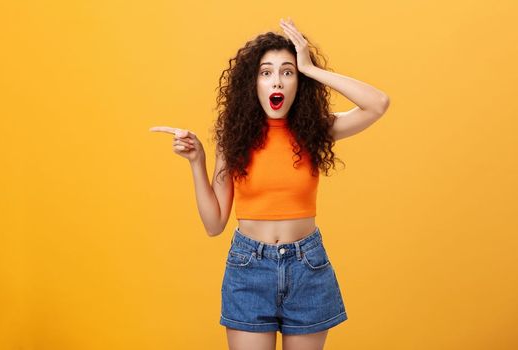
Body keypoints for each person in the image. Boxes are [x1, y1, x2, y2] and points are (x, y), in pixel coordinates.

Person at [150, 18, 390, 350]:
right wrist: (197, 162)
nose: (276, 80)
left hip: (308, 267)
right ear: (254, 83)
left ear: (299, 81)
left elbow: (378, 103)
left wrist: (311, 68)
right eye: (266, 72)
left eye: (287, 72)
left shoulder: (315, 129)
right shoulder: (232, 136)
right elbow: (213, 223)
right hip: (248, 268)